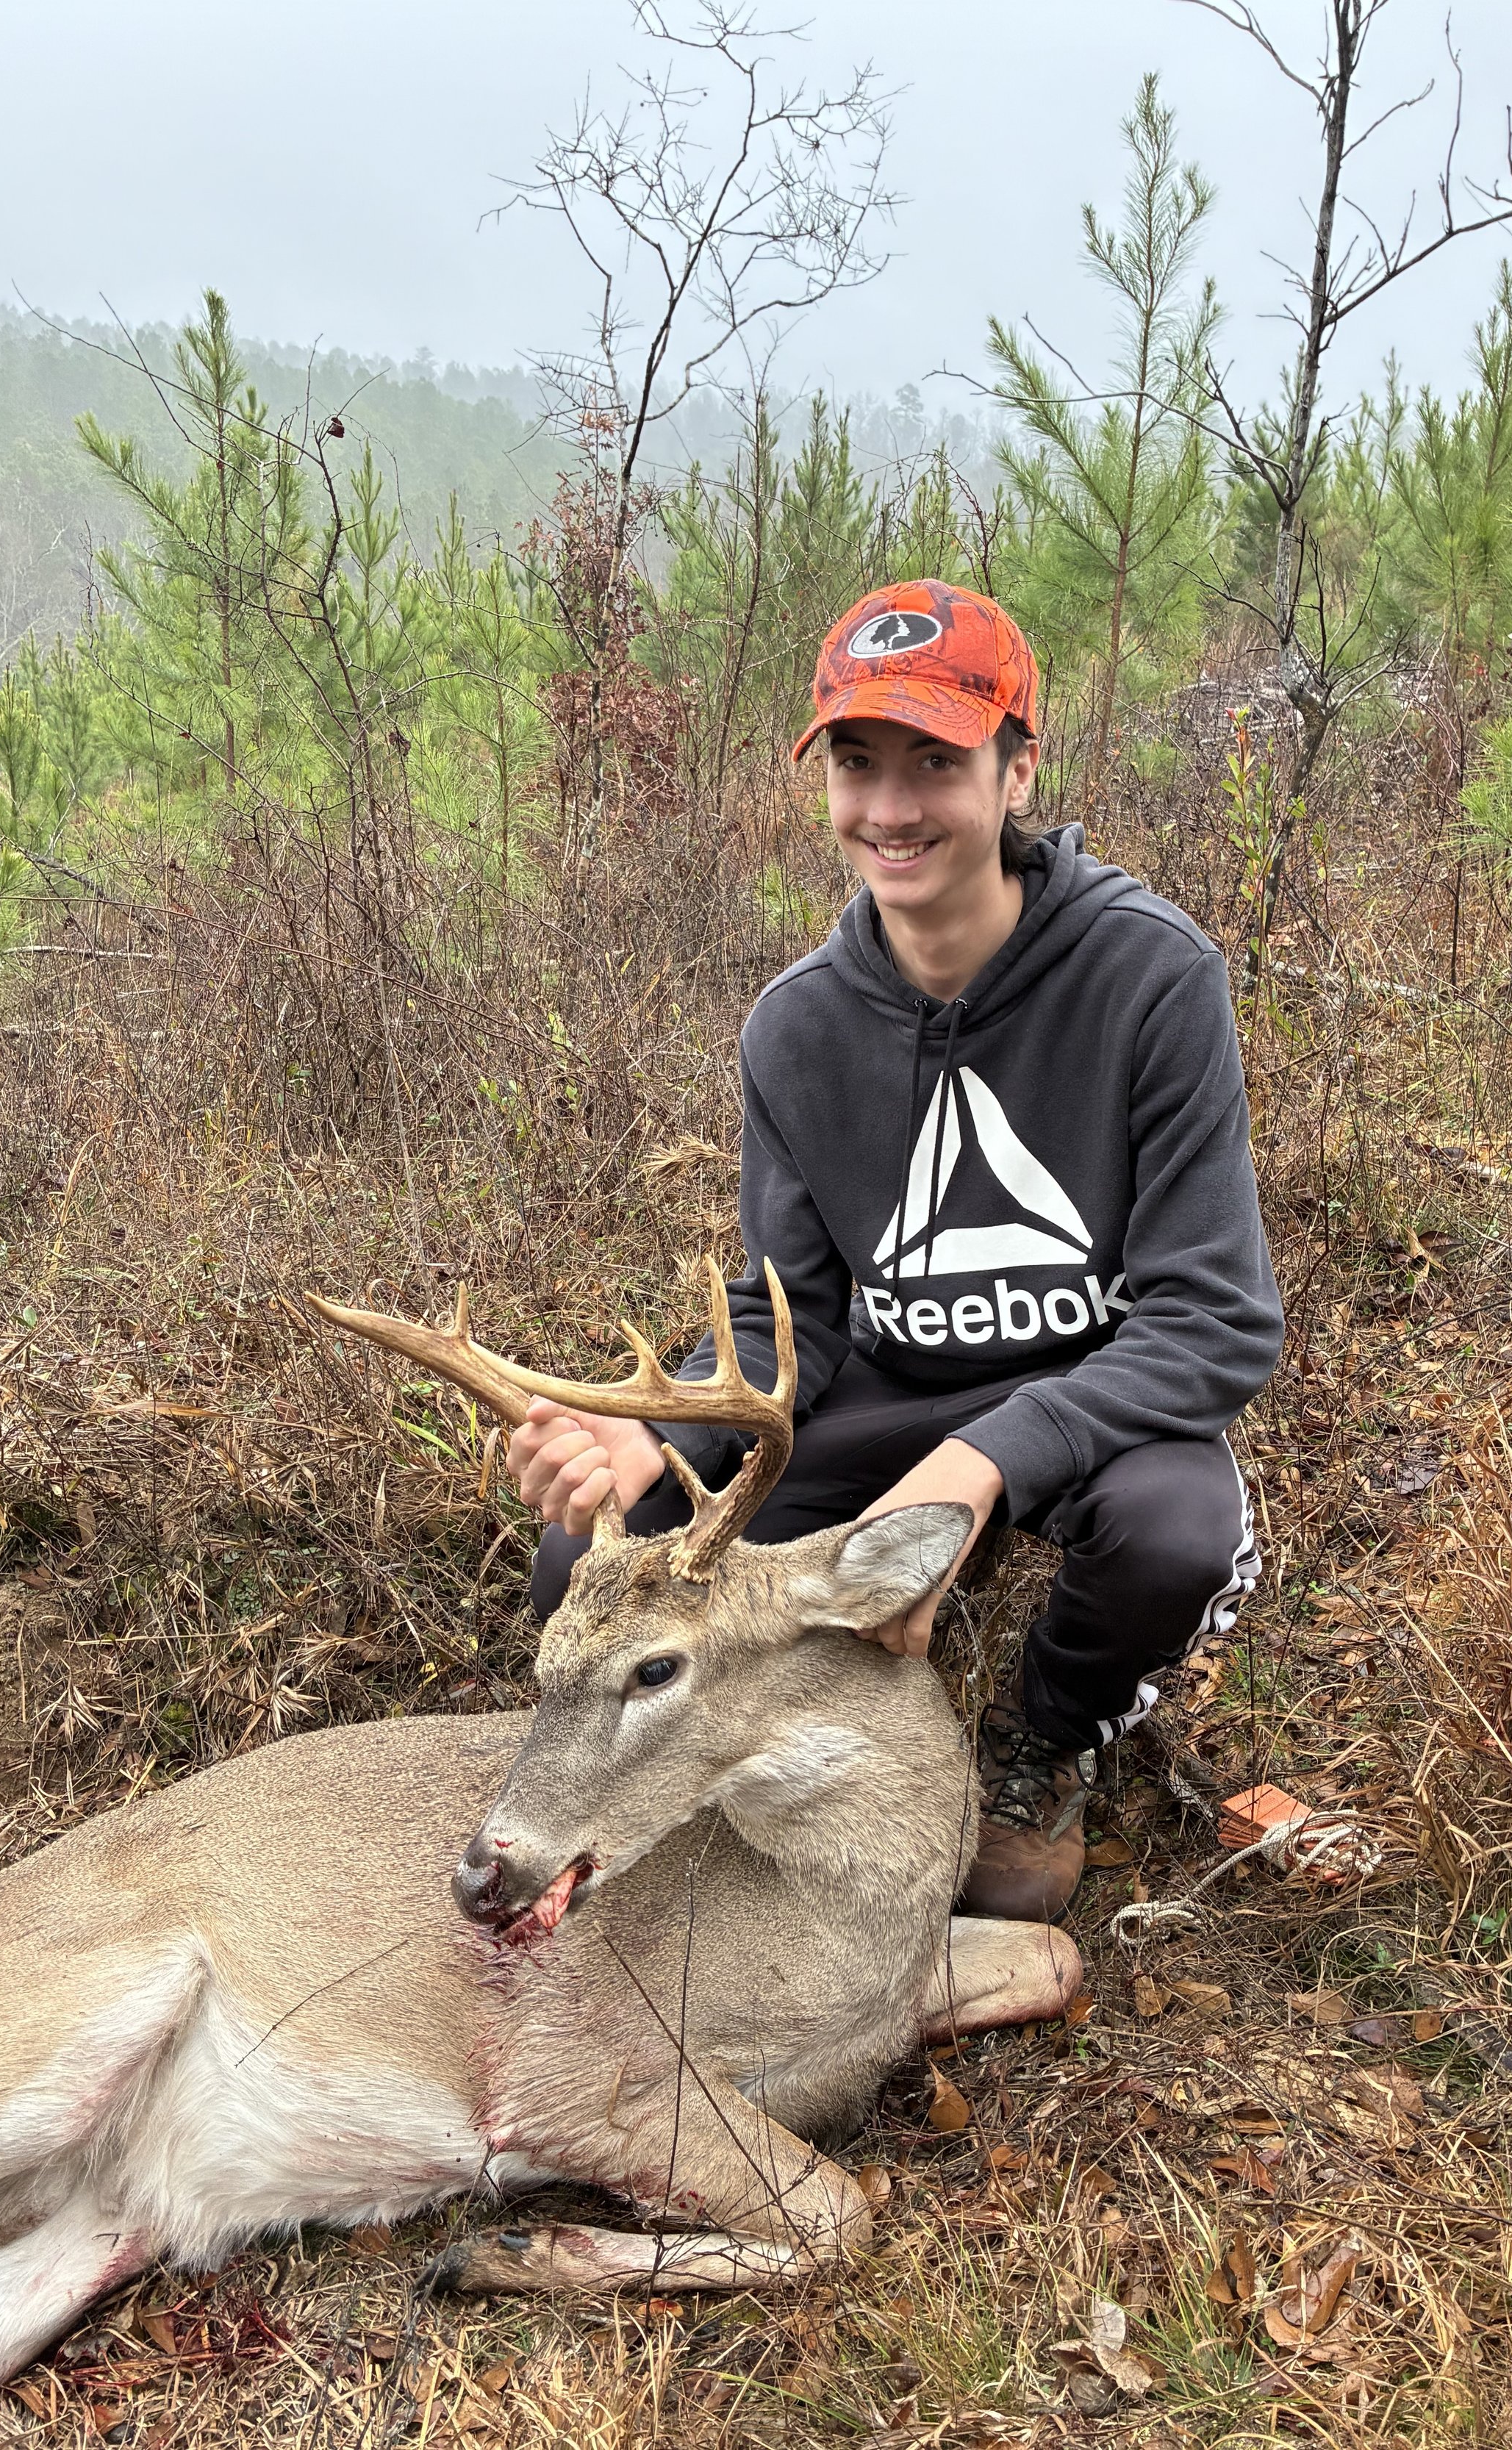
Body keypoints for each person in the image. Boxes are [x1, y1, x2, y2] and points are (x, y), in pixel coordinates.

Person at [512, 579, 1283, 1921]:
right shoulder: (798, 1030)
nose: (891, 808)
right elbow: (782, 1314)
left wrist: (987, 1459)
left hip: (1090, 1402)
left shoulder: (1152, 980)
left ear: (1018, 764)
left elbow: (1213, 1322)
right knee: (591, 1558)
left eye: (937, 759)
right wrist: (662, 1443)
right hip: (883, 1396)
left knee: (1179, 1532)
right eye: (858, 764)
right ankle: (724, 1774)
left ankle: (1041, 1743)